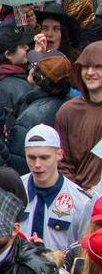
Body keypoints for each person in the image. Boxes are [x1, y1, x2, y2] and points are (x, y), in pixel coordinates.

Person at [20, 125, 91, 257]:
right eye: (31, 157)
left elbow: (83, 252)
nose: (37, 164)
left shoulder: (81, 202)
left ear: (59, 154)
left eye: (44, 157)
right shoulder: (15, 189)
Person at [56, 42, 102, 193]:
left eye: (98, 67)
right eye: (85, 67)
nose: (90, 72)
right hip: (77, 199)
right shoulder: (68, 111)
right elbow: (63, 161)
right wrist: (78, 194)